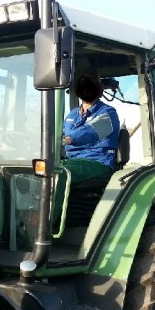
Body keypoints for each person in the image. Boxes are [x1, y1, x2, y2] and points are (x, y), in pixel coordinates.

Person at [54, 74, 120, 221]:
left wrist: (70, 139)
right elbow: (58, 132)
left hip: (98, 162)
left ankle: (47, 224)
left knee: (58, 174)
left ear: (98, 90)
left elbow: (92, 132)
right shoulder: (72, 115)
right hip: (72, 160)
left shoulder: (108, 113)